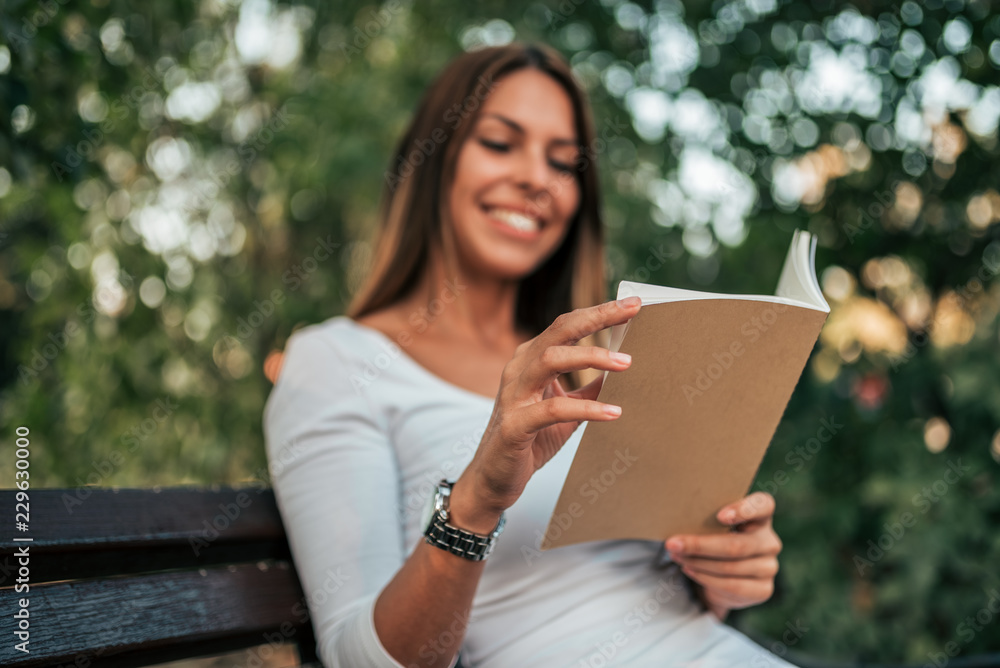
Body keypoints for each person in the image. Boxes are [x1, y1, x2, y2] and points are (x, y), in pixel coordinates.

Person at [263, 42, 794, 668]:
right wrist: (476, 501)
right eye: (498, 142)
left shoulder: (594, 364)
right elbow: (358, 660)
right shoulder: (336, 362)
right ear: (434, 162)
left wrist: (726, 575)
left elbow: (653, 599)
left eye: (564, 162)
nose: (537, 179)